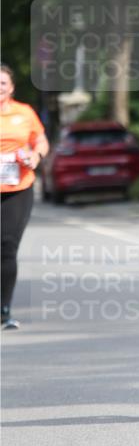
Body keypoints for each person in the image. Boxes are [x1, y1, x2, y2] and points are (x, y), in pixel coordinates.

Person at [0, 64, 49, 329]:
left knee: (7, 247)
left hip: (17, 188)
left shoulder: (24, 112)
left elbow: (40, 140)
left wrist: (35, 155)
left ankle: (4, 310)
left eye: (2, 83)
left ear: (11, 88)